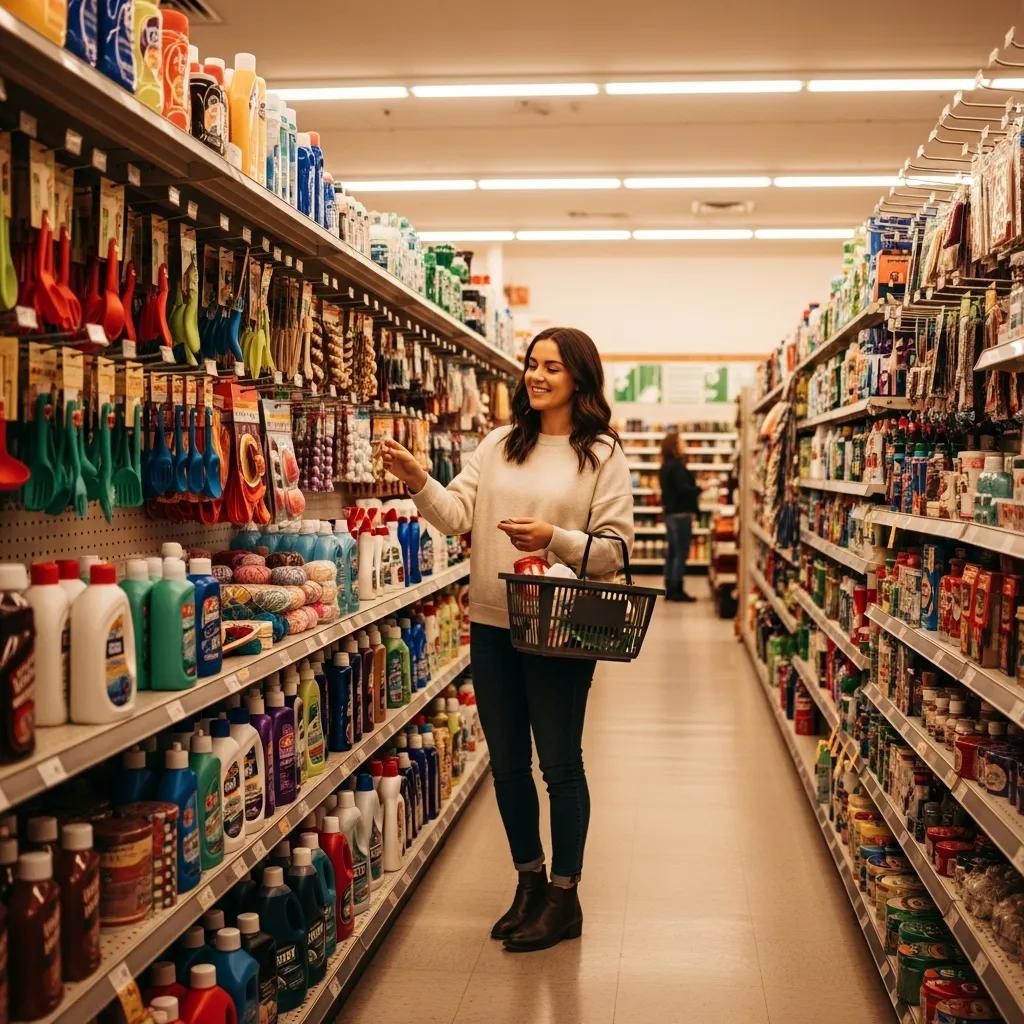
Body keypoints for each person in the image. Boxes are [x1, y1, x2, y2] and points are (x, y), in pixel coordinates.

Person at [382, 327, 633, 953]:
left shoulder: (601, 453)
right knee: (508, 766)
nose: (538, 376)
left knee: (559, 765)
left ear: (580, 376)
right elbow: (457, 517)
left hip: (558, 629)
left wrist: (553, 538)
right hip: (493, 625)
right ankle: (528, 882)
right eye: (532, 364)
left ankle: (565, 895)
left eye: (553, 366)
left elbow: (612, 555)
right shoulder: (498, 444)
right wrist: (418, 479)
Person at [658, 430, 700, 602]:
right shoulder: (677, 466)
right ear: (674, 446)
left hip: (670, 514)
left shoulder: (665, 466)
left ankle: (669, 586)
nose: (685, 445)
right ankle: (677, 589)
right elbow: (684, 490)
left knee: (672, 552)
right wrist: (700, 488)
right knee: (680, 553)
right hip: (681, 515)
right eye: (682, 442)